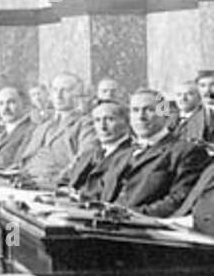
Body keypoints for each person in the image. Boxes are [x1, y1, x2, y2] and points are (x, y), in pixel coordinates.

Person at [97, 89, 207, 217]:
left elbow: (179, 201)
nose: (141, 117)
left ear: (165, 114)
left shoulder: (185, 151)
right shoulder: (122, 155)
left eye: (149, 110)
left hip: (144, 228)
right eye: (135, 110)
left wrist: (131, 215)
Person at [18, 73, 93, 185]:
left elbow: (85, 159)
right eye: (55, 90)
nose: (58, 95)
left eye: (65, 90)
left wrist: (55, 181)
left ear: (78, 95)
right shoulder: (43, 126)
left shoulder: (85, 124)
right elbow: (26, 159)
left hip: (56, 187)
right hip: (26, 182)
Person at [58, 99, 133, 201]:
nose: (102, 126)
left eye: (110, 119)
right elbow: (64, 181)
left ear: (126, 122)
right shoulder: (89, 153)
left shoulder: (132, 156)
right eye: (97, 120)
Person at [171, 79, 213, 145]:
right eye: (179, 95)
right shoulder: (169, 118)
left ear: (199, 97)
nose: (183, 98)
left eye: (189, 94)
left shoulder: (209, 118)